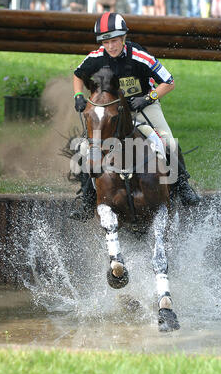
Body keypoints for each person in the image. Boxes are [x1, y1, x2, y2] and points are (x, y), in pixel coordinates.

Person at [71, 12, 200, 219]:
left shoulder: (140, 56)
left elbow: (169, 82)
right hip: (112, 110)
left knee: (168, 142)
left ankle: (183, 185)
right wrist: (78, 95)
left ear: (123, 38)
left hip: (143, 105)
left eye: (114, 41)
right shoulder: (96, 57)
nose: (111, 46)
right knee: (86, 148)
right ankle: (87, 199)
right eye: (106, 42)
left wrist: (148, 98)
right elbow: (78, 75)